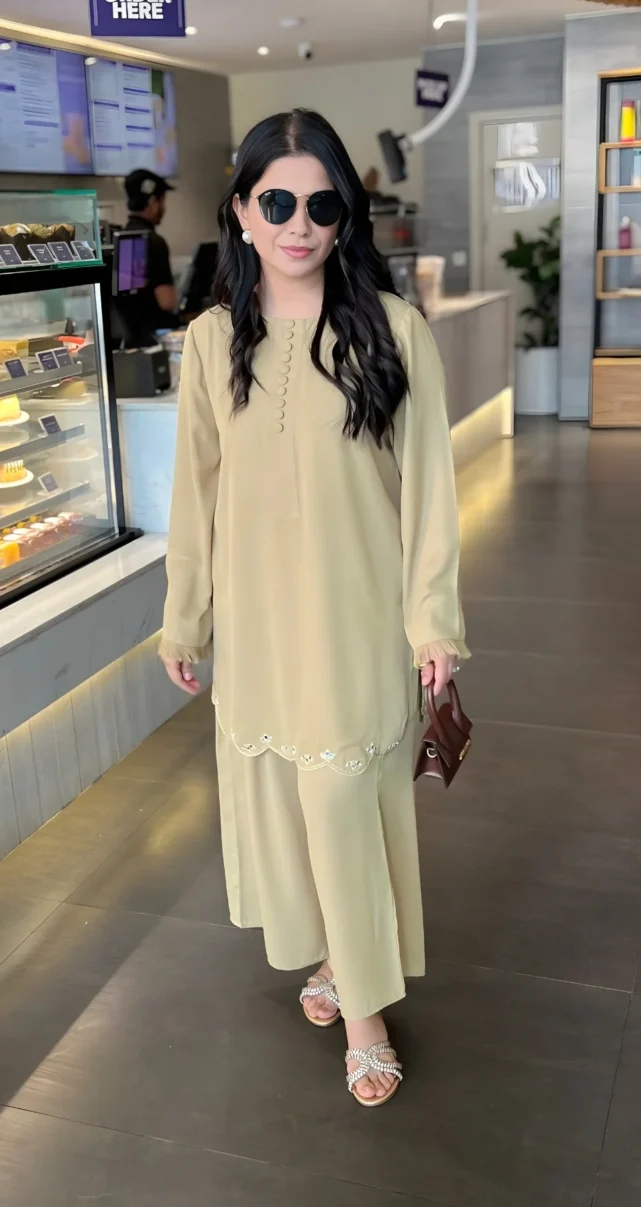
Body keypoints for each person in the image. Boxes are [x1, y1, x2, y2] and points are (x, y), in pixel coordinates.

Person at [160, 109, 468, 1107]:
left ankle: (365, 1011)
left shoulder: (393, 330)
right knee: (290, 815)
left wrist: (432, 619)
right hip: (258, 626)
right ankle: (335, 955)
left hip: (356, 618)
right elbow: (195, 496)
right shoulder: (211, 342)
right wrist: (185, 616)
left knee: (339, 807)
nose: (300, 223)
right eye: (278, 201)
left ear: (345, 218)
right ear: (242, 211)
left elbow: (429, 490)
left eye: (322, 204)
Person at [123, 168, 178, 333]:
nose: (164, 208)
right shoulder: (154, 242)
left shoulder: (124, 239)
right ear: (153, 202)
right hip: (155, 334)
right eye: (162, 201)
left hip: (131, 335)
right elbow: (167, 302)